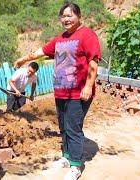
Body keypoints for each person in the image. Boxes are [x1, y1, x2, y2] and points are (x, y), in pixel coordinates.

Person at [14, 2, 101, 180]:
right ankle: (67, 157)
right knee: (63, 127)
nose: (66, 19)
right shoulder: (60, 38)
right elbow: (42, 50)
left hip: (78, 92)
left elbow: (93, 61)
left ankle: (76, 166)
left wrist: (88, 86)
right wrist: (24, 59)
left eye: (70, 15)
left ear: (79, 16)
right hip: (61, 91)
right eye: (63, 16)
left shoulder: (87, 35)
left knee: (73, 128)